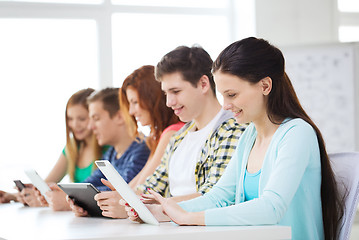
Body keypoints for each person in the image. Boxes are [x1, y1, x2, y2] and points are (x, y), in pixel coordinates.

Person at [123, 37, 344, 240]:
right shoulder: (250, 135)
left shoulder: (297, 133)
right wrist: (161, 211)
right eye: (223, 95)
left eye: (232, 95)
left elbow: (271, 208)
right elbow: (219, 196)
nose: (226, 105)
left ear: (265, 86)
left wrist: (189, 217)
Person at [91, 45, 246, 219]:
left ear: (203, 84)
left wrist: (139, 206)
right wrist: (125, 201)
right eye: (166, 93)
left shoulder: (232, 130)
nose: (169, 102)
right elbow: (152, 187)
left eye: (176, 91)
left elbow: (213, 198)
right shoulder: (178, 137)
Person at [50, 87, 151, 212]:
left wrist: (73, 198)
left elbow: (122, 192)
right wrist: (67, 192)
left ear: (119, 117)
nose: (90, 126)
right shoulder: (111, 154)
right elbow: (90, 183)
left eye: (96, 119)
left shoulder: (142, 150)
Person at [0, 88, 105, 206]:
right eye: (70, 119)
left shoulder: (107, 149)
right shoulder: (72, 149)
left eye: (82, 119)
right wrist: (15, 196)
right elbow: (46, 185)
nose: (75, 125)